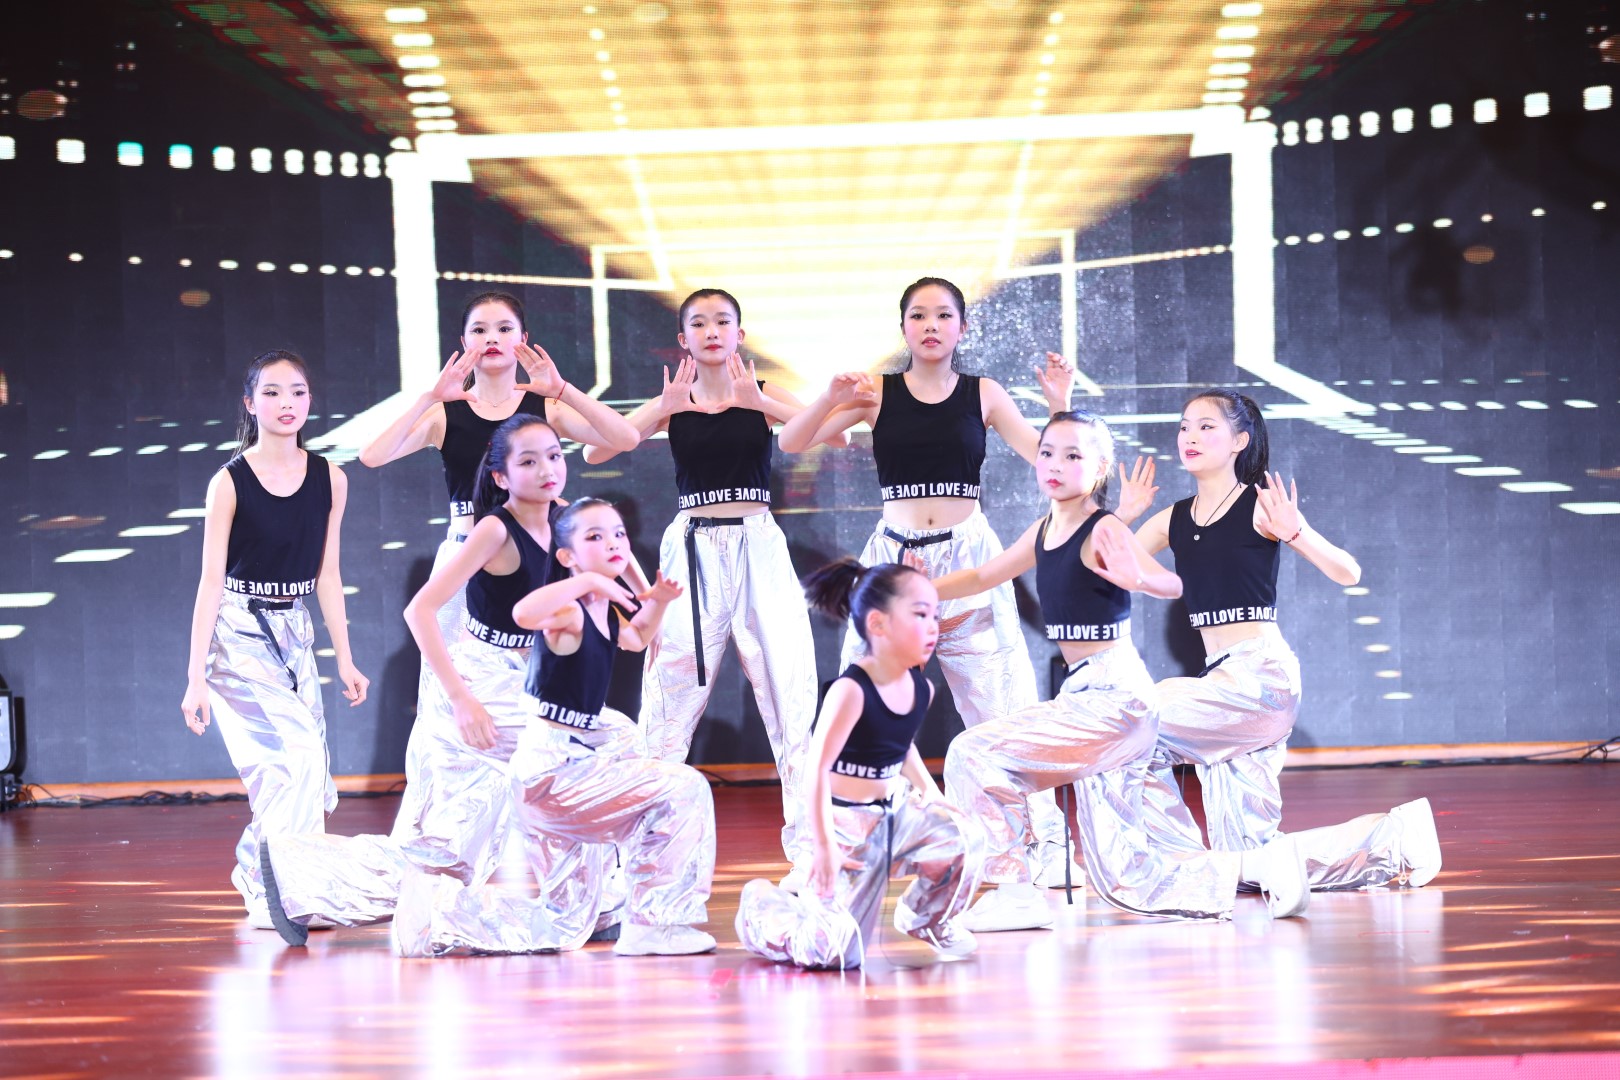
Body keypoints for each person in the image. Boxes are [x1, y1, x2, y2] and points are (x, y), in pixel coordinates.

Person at [932, 411, 1308, 930]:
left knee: (973, 753)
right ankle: (1258, 865)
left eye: (1072, 456)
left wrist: (1139, 578)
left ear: (1100, 467)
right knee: (1126, 879)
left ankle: (1015, 891)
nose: (1054, 465)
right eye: (1046, 454)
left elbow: (1171, 585)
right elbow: (980, 576)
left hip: (1114, 697)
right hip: (1093, 695)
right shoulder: (1044, 530)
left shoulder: (1104, 527)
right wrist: (908, 586)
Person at [261, 415, 620, 943]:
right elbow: (420, 611)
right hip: (485, 682)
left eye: (554, 456)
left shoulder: (567, 521)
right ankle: (598, 902)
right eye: (529, 461)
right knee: (591, 751)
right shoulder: (494, 528)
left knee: (449, 855)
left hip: (529, 678)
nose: (547, 469)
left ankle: (299, 872)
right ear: (500, 476)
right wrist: (461, 699)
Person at [777, 276, 1078, 884]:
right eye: (918, 315)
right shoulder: (878, 393)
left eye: (943, 315)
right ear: (904, 328)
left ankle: (1035, 847)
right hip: (895, 563)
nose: (931, 325)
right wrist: (829, 395)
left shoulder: (983, 393)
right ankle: (833, 850)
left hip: (969, 560)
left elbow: (1049, 460)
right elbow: (792, 439)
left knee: (1004, 709)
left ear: (962, 327)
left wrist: (1058, 404)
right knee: (860, 707)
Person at [1129, 390, 1440, 891]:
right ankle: (1394, 840)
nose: (1190, 436)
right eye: (1185, 426)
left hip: (1258, 677)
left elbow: (1348, 572)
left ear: (1240, 441)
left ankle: (1183, 870)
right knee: (1251, 865)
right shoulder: (1172, 520)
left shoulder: (1259, 506)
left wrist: (1296, 533)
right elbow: (1101, 566)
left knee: (1130, 724)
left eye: (1207, 426)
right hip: (1220, 682)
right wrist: (1123, 515)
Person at [391, 499, 718, 957]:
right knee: (683, 788)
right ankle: (654, 924)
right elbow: (524, 614)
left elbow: (637, 637)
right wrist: (586, 580)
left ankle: (438, 913)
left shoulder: (602, 610)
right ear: (566, 556)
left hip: (559, 779)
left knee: (562, 925)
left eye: (619, 534)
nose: (613, 543)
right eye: (595, 537)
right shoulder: (568, 610)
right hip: (556, 775)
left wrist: (658, 600)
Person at [581, 288, 820, 878]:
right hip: (692, 547)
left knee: (791, 695)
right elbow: (592, 451)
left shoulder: (762, 392)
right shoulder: (674, 399)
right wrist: (660, 409)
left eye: (723, 321)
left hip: (758, 543)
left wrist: (760, 402)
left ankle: (812, 855)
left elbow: (827, 434)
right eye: (698, 323)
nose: (712, 331)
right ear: (683, 338)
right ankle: (641, 856)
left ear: (740, 334)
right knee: (669, 699)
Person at [180, 349, 369, 929]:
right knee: (296, 760)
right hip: (238, 634)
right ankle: (276, 891)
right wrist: (194, 677)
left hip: (294, 630)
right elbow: (210, 581)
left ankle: (277, 880)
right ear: (249, 403)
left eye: (297, 392)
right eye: (271, 392)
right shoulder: (229, 481)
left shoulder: (331, 478)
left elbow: (328, 574)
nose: (286, 403)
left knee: (307, 775)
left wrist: (345, 659)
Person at [357, 290, 638, 676]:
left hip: (535, 558)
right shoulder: (444, 413)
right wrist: (428, 399)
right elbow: (372, 456)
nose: (492, 338)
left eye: (504, 329)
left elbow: (626, 438)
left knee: (542, 678)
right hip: (465, 553)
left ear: (523, 339)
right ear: (463, 342)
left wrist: (562, 389)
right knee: (452, 684)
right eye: (479, 330)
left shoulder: (547, 406)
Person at [734, 559, 982, 969]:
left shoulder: (921, 688)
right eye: (920, 615)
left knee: (965, 836)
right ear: (878, 624)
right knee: (834, 954)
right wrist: (823, 846)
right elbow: (816, 769)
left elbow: (900, 745)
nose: (933, 627)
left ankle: (927, 919)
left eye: (936, 616)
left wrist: (931, 793)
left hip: (893, 817)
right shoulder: (850, 690)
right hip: (843, 826)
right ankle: (761, 909)